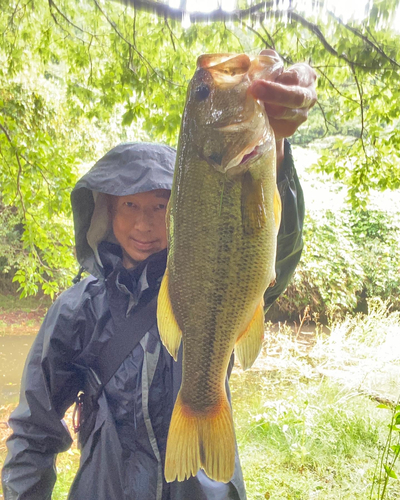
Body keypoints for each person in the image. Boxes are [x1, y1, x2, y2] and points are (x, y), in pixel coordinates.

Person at [1, 51, 317, 500]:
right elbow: (33, 431)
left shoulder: (205, 279)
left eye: (159, 205)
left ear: (182, 211)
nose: (145, 224)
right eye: (130, 205)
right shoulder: (75, 310)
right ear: (105, 212)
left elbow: (272, 253)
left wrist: (279, 151)